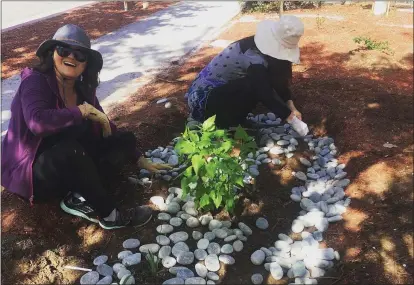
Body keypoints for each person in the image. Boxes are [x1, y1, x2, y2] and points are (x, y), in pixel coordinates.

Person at [1, 24, 171, 230]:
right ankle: (110, 215)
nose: (71, 57)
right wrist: (80, 112)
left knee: (123, 140)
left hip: (70, 158)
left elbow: (104, 123)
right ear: (52, 53)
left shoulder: (82, 89)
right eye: (64, 50)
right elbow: (38, 123)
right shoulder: (35, 82)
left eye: (80, 54)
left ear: (86, 63)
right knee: (70, 151)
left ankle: (79, 195)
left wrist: (138, 157)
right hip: (35, 172)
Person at [185, 15, 310, 136]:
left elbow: (279, 82)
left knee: (257, 83)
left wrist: (291, 107)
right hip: (204, 99)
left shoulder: (264, 52)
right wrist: (289, 117)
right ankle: (223, 124)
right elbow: (263, 90)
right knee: (253, 85)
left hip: (222, 94)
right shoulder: (252, 56)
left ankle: (234, 120)